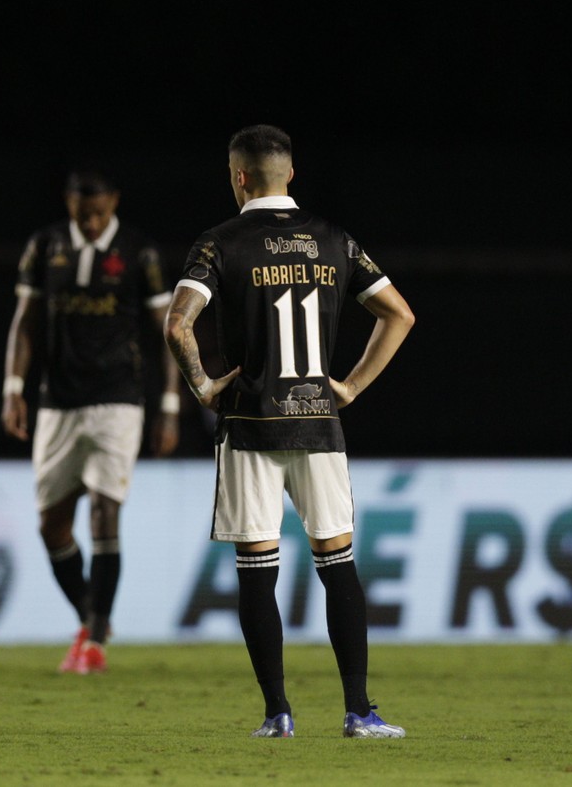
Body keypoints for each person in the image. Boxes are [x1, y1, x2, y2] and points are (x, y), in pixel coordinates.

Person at [165, 124, 415, 738]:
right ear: (291, 175)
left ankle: (278, 713)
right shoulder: (335, 240)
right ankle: (359, 711)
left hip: (250, 423)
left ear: (239, 177)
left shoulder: (219, 242)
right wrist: (350, 386)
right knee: (338, 561)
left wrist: (202, 385)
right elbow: (400, 314)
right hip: (317, 425)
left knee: (258, 568)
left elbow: (177, 325)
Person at [1, 169, 182, 674]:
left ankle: (95, 639)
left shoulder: (138, 252)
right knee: (51, 525)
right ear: (70, 203)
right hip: (57, 402)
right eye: (84, 210)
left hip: (117, 400)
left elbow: (168, 332)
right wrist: (13, 389)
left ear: (114, 201)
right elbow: (25, 323)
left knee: (105, 510)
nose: (93, 218)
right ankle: (89, 616)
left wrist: (169, 405)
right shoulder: (46, 245)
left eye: (100, 209)